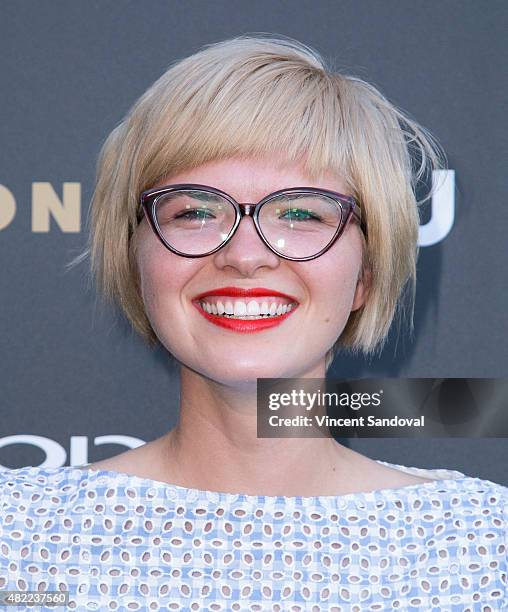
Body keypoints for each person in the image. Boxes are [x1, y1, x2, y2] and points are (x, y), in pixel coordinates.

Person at [1, 35, 506, 610]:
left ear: (366, 272)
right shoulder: (17, 537)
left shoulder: (481, 547)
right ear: (134, 260)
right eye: (193, 211)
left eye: (299, 213)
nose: (244, 255)